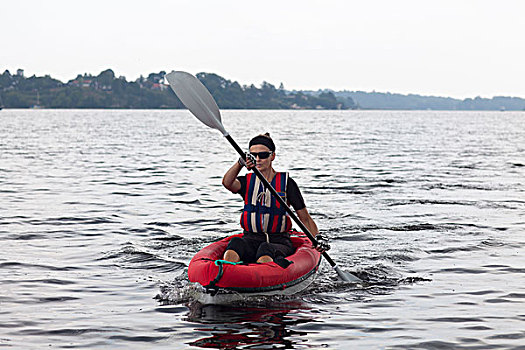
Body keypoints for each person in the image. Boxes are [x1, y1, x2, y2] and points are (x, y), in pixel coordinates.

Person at [221, 133, 330, 265]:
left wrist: (317, 238)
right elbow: (227, 183)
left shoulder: (287, 184)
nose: (258, 159)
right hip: (251, 239)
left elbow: (305, 218)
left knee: (265, 248)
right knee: (236, 243)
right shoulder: (246, 182)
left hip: (278, 242)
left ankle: (264, 276)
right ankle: (227, 273)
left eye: (263, 155)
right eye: (253, 156)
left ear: (272, 156)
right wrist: (240, 163)